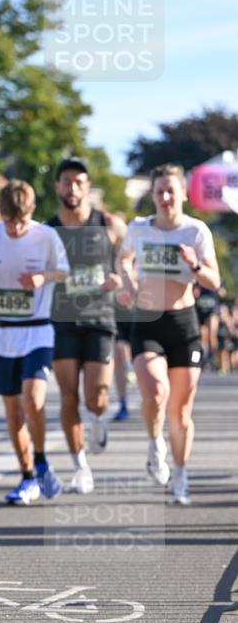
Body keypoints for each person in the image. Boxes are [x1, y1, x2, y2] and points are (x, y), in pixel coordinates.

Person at [118, 164, 220, 505]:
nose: (164, 197)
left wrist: (193, 264)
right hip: (147, 320)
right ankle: (154, 443)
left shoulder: (196, 231)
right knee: (155, 391)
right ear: (152, 195)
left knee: (181, 412)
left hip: (183, 324)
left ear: (184, 194)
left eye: (171, 190)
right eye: (159, 191)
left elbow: (214, 282)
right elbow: (124, 260)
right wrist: (129, 283)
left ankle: (180, 474)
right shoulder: (139, 228)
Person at [0, 180, 69, 505]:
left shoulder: (46, 237)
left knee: (33, 399)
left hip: (37, 330)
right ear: (1, 215)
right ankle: (28, 477)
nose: (15, 228)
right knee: (13, 412)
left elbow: (64, 272)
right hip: (0, 333)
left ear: (32, 212)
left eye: (21, 221)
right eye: (9, 221)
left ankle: (40, 459)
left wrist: (43, 277)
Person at [48, 158, 126, 493]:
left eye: (79, 182)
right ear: (57, 186)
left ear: (88, 186)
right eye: (67, 181)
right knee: (68, 396)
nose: (73, 188)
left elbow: (127, 266)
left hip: (99, 319)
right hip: (61, 320)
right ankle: (80, 466)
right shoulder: (47, 231)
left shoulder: (109, 224)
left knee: (96, 395)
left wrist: (118, 279)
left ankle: (97, 417)